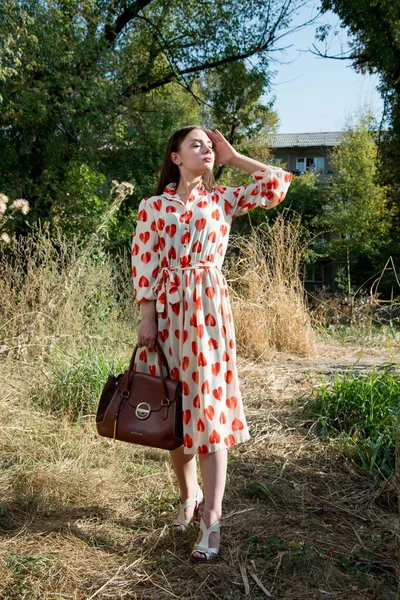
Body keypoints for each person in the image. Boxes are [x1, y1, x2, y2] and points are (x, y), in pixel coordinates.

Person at [131, 126, 292, 562]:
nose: (206, 149)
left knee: (209, 411)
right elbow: (144, 259)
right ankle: (189, 497)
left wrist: (235, 156)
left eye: (209, 144)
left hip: (208, 316)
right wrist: (148, 317)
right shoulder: (153, 206)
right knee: (174, 413)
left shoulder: (221, 199)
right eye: (196, 144)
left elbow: (277, 183)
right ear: (176, 157)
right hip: (167, 315)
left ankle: (212, 521)